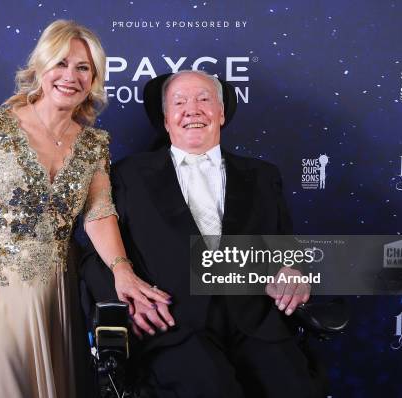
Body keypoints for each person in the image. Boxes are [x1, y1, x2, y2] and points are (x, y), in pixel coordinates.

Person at [0, 20, 169, 398]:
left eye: (83, 68)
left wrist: (122, 271)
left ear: (94, 78)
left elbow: (99, 214)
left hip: (58, 297)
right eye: (60, 64)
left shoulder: (94, 144)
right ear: (41, 67)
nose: (70, 76)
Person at [82, 70, 321, 397]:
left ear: (221, 114)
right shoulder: (127, 175)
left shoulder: (263, 176)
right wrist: (127, 300)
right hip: (175, 326)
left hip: (256, 324)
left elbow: (286, 248)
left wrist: (294, 271)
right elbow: (96, 259)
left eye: (204, 99)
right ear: (166, 120)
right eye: (179, 102)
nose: (192, 109)